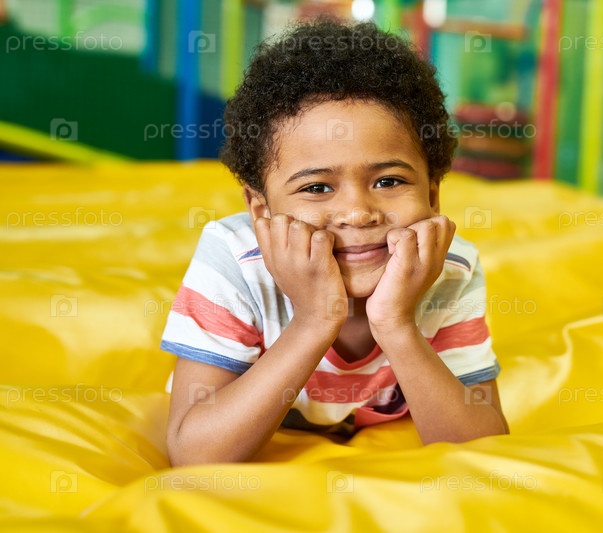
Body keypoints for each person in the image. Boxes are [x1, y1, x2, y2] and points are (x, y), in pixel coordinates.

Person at [162, 18, 508, 466]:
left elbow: (484, 450)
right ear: (261, 210)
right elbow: (194, 455)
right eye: (317, 188)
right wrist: (314, 321)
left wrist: (396, 324)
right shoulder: (235, 261)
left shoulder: (448, 266)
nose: (359, 213)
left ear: (432, 195)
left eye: (388, 181)